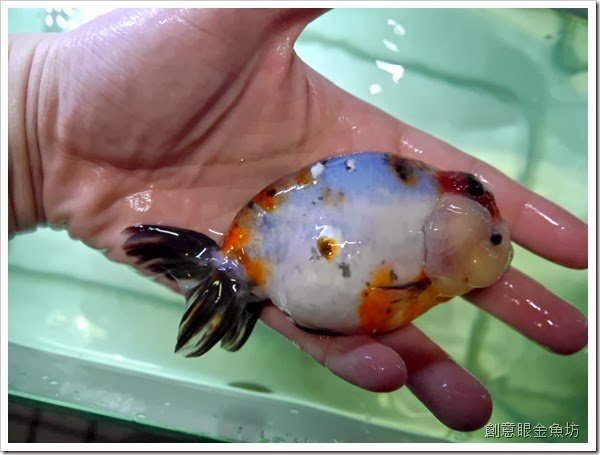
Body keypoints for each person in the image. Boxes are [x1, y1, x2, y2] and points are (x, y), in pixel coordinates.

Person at [8, 8, 587, 432]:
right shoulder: (418, 234)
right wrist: (36, 120)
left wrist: (36, 123)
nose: (495, 242)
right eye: (491, 236)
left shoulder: (420, 246)